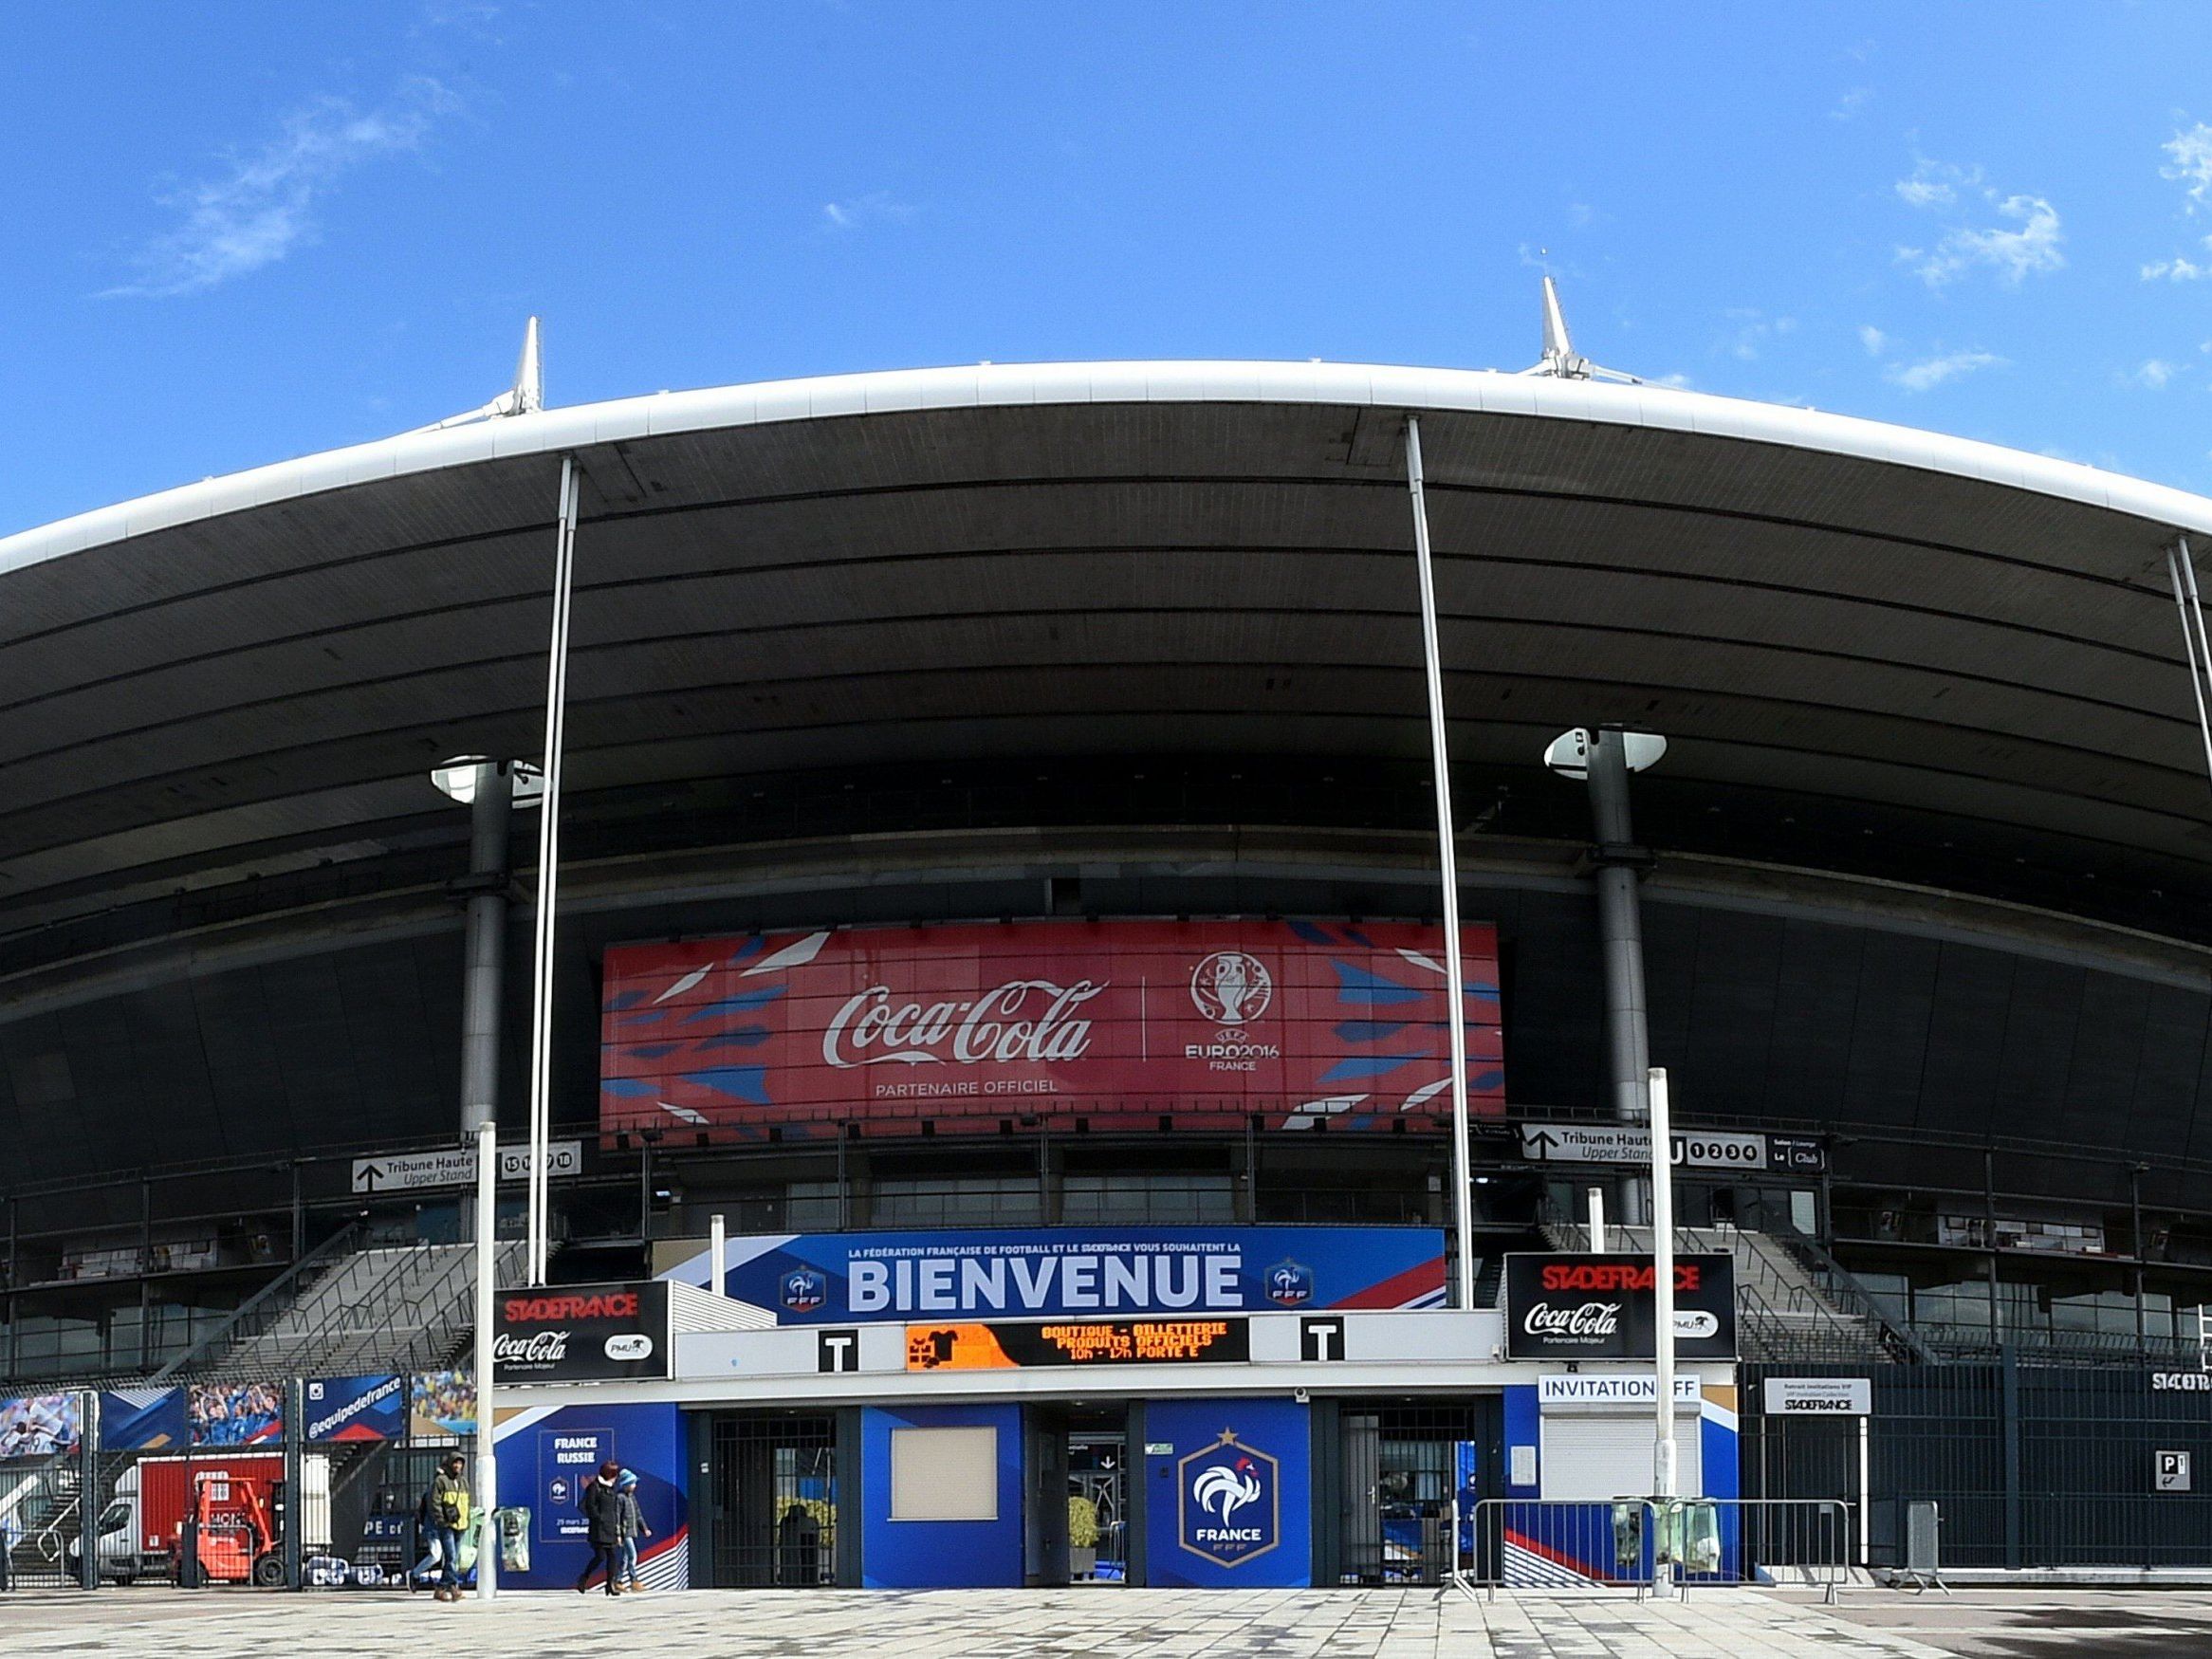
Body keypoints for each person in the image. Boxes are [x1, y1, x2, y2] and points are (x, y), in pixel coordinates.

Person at [425, 1453, 471, 1603]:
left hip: (461, 1525)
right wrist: (441, 1520)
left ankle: (441, 1588)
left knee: (454, 1559)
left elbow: (466, 1503)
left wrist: (467, 1520)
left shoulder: (463, 1482)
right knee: (451, 1557)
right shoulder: (441, 1481)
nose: (458, 1466)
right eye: (455, 1463)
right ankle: (454, 1588)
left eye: (460, 1463)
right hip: (447, 1526)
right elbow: (434, 1502)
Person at [577, 1460, 624, 1594]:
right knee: (600, 1556)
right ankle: (584, 1577)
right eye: (614, 1474)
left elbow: (614, 1509)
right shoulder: (594, 1487)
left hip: (611, 1528)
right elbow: (588, 1505)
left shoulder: (611, 1488)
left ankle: (610, 1584)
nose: (616, 1478)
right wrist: (598, 1517)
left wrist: (617, 1528)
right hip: (598, 1529)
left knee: (613, 1556)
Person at [615, 1468, 653, 1594]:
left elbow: (638, 1514)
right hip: (625, 1533)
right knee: (632, 1556)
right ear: (626, 1484)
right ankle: (633, 1581)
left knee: (625, 1558)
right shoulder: (619, 1498)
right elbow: (617, 1517)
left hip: (632, 1531)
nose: (634, 1486)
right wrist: (618, 1535)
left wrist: (644, 1529)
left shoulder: (632, 1498)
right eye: (632, 1483)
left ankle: (618, 1581)